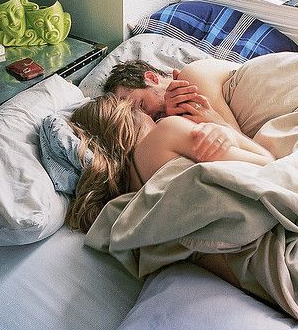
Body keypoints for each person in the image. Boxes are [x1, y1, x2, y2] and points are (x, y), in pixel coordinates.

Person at [66, 94, 274, 236]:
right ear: (125, 120)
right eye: (141, 111)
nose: (154, 118)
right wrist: (225, 128)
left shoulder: (126, 196)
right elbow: (269, 164)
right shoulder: (166, 132)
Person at [103, 58, 241, 131]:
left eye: (142, 105)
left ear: (151, 78)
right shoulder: (168, 121)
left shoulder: (191, 74)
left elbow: (234, 136)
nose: (146, 117)